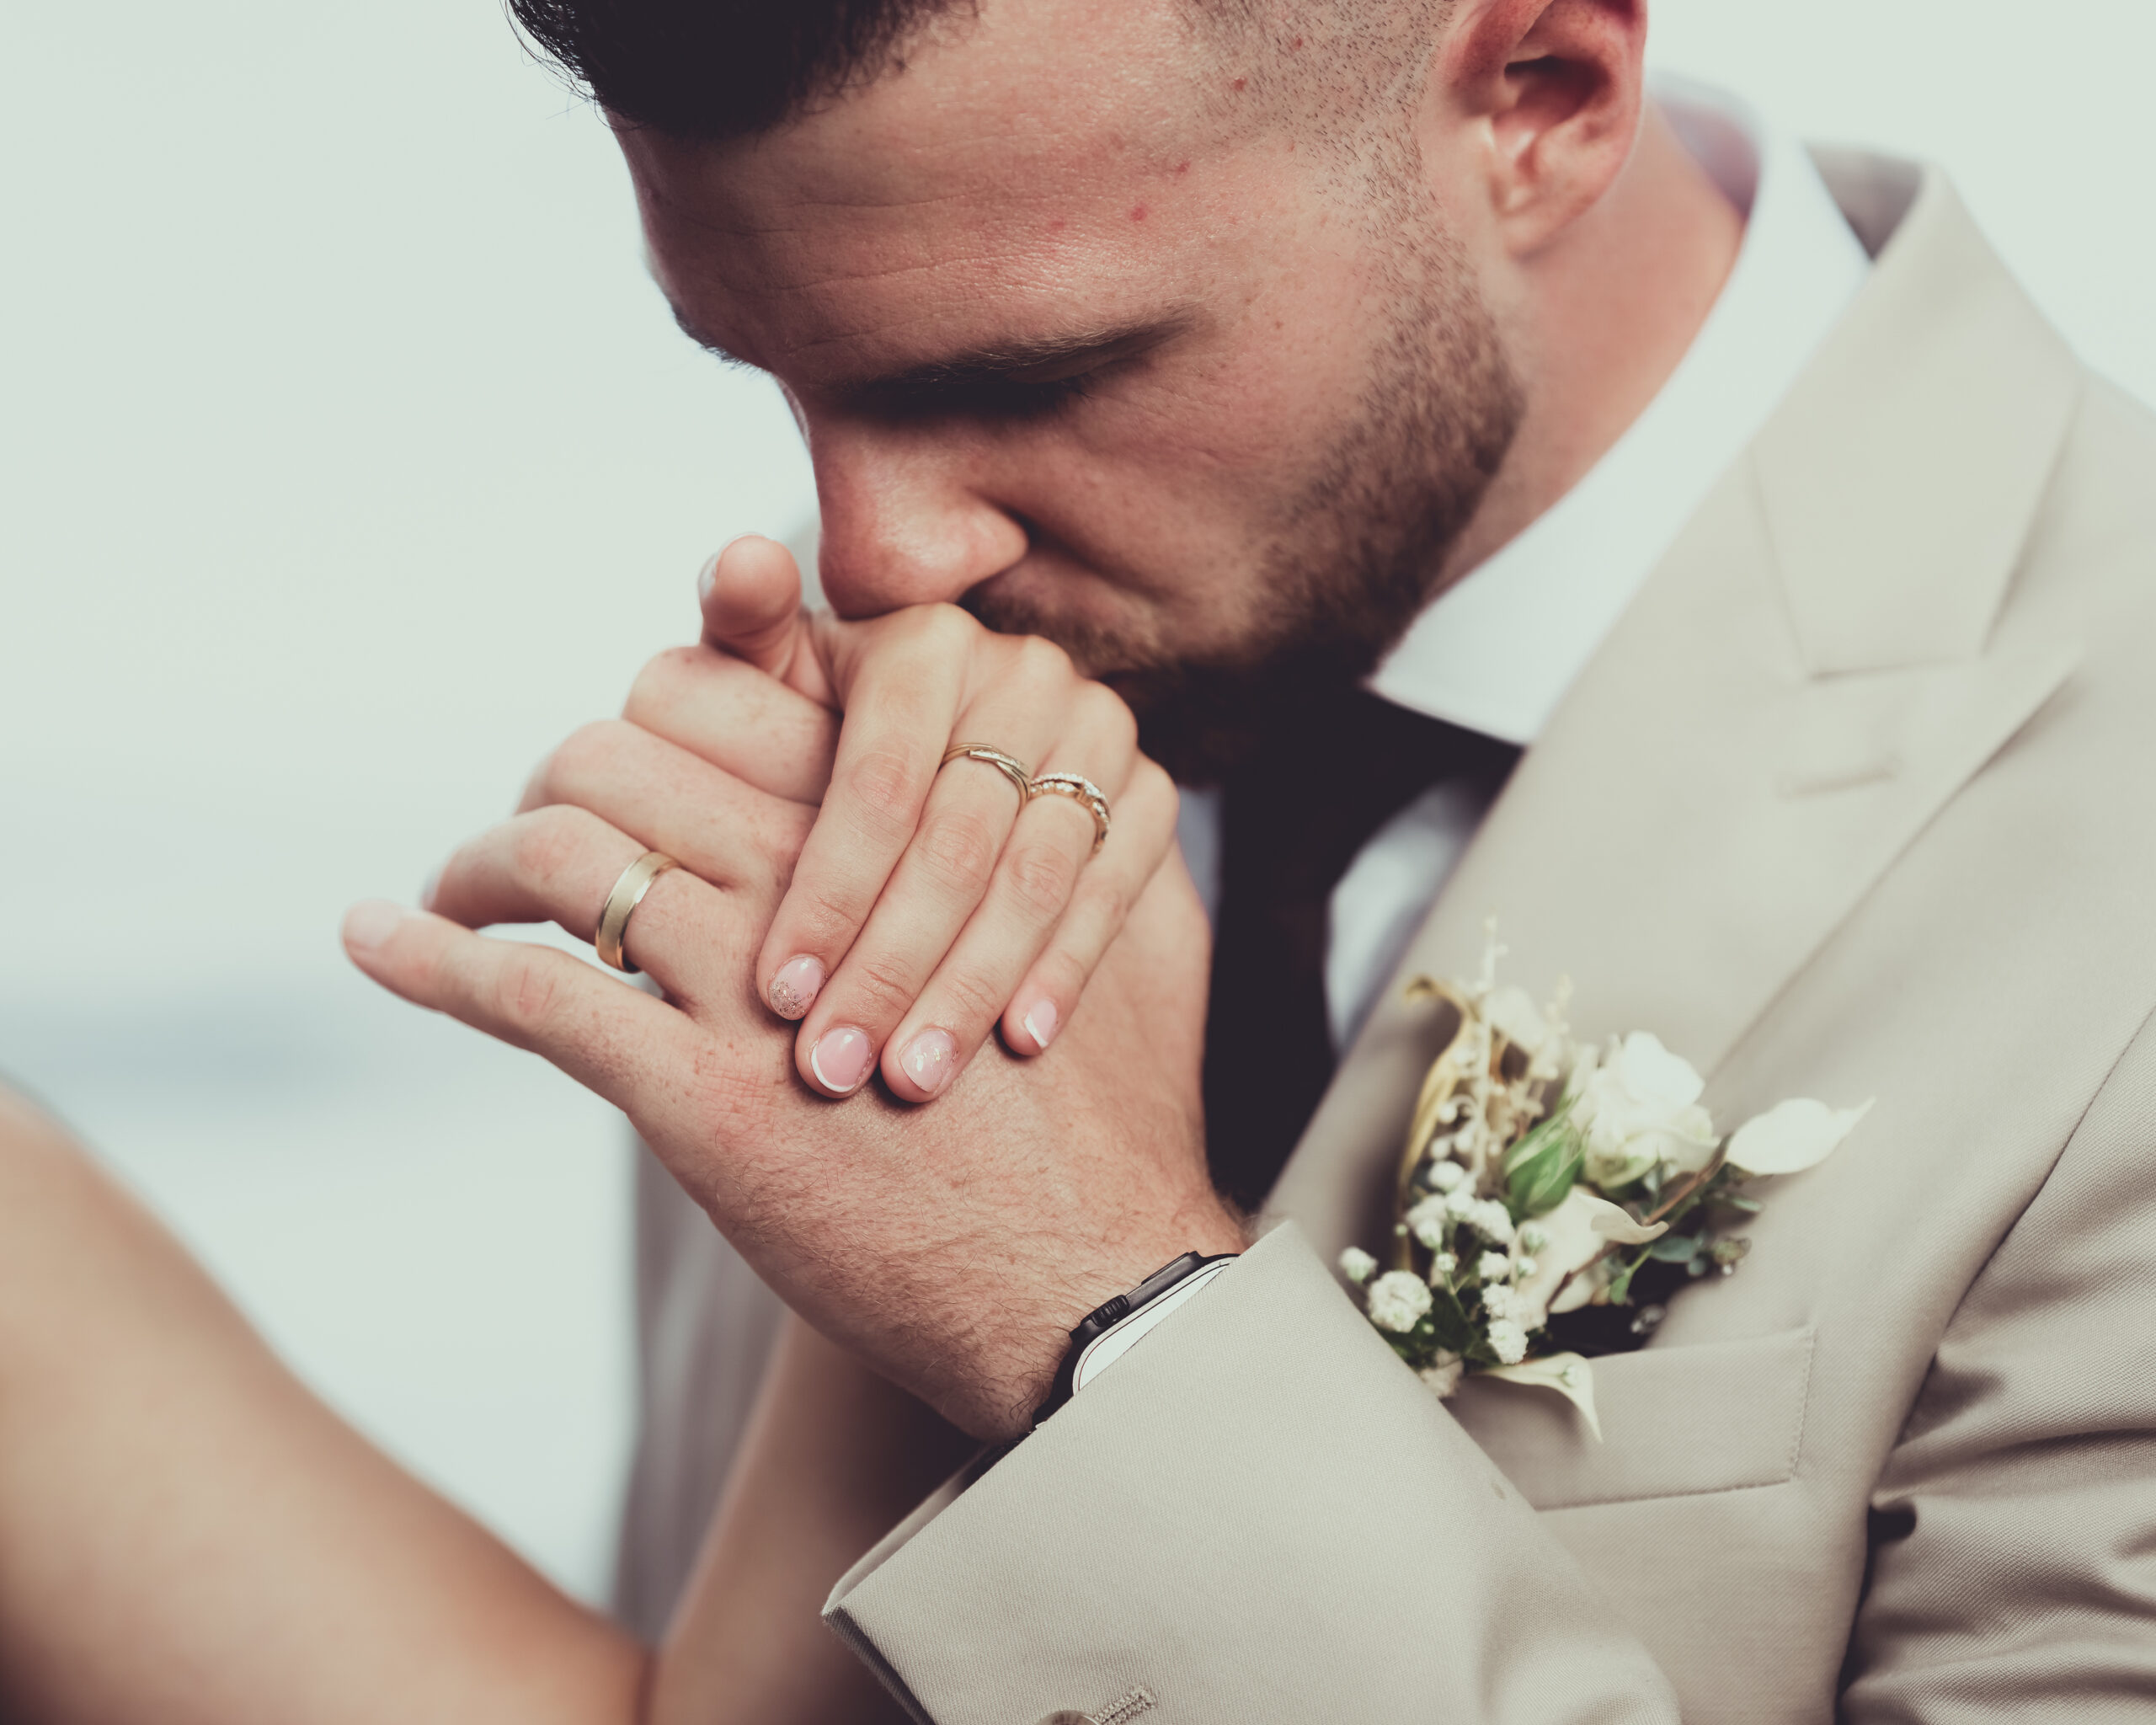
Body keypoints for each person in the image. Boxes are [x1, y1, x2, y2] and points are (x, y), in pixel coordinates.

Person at [8, 0, 2156, 1719]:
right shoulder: (905, 695)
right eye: (774, 373)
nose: (876, 555)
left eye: (1033, 373)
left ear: (1535, 93)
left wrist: (1099, 1321)